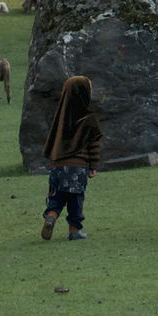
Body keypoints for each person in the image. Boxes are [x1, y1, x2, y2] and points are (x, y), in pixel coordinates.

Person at [40, 74, 104, 240]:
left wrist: (53, 163)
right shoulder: (88, 119)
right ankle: (74, 231)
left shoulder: (59, 118)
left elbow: (51, 142)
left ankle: (51, 217)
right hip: (78, 166)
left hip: (56, 167)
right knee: (76, 198)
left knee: (57, 196)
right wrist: (93, 167)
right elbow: (94, 146)